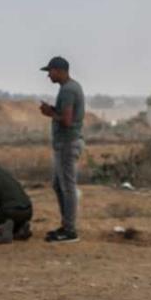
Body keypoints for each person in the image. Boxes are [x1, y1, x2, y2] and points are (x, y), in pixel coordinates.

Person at [39, 56, 85, 244]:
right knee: (59, 186)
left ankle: (70, 230)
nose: (48, 75)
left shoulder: (67, 90)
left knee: (67, 187)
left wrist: (50, 113)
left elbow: (66, 120)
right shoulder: (70, 88)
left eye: (50, 71)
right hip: (66, 143)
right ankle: (66, 225)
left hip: (67, 143)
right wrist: (52, 110)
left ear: (59, 70)